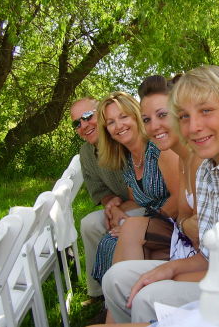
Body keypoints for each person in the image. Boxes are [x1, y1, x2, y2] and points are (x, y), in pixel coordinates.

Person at [101, 65, 219, 323]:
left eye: (206, 111)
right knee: (115, 279)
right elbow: (207, 254)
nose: (193, 127)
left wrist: (174, 276)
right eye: (183, 116)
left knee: (148, 297)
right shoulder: (207, 167)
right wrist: (170, 267)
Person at [91, 91, 180, 283]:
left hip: (176, 222)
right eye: (111, 122)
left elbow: (180, 197)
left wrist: (140, 226)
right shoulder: (130, 160)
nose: (119, 126)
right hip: (152, 221)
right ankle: (114, 302)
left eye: (124, 116)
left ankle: (127, 299)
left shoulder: (159, 148)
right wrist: (116, 210)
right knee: (109, 241)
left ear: (137, 117)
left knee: (117, 241)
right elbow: (135, 200)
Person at [113, 75, 201, 266]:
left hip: (207, 258)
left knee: (128, 243)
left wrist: (187, 225)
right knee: (130, 229)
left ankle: (128, 287)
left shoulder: (199, 158)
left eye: (162, 115)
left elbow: (201, 229)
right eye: (146, 119)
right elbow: (186, 218)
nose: (153, 126)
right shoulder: (183, 162)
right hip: (182, 235)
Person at [70, 97, 142, 302]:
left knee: (120, 223)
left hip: (145, 204)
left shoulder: (122, 138)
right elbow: (97, 189)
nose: (83, 125)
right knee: (89, 223)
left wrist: (120, 209)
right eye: (77, 123)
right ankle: (98, 292)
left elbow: (144, 190)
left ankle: (122, 293)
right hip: (120, 206)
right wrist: (110, 203)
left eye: (87, 116)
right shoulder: (86, 152)